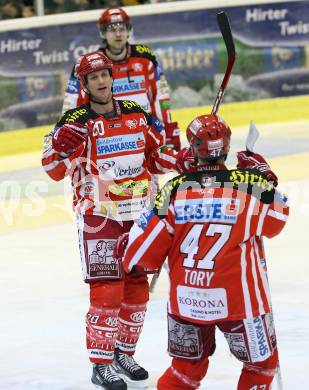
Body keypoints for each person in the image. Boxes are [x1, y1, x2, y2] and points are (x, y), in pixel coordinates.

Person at [41, 51, 191, 390]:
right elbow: (52, 170)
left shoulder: (138, 114)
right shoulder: (73, 121)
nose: (101, 81)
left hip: (138, 212)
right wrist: (60, 150)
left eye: (104, 75)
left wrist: (183, 159)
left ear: (112, 77)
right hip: (99, 216)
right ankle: (101, 363)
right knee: (107, 291)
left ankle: (124, 353)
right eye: (93, 78)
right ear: (84, 84)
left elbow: (156, 156)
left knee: (137, 289)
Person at [117, 114, 289, 389]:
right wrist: (264, 176)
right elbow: (278, 218)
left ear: (192, 148)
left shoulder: (174, 189)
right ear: (228, 146)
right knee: (262, 365)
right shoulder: (248, 186)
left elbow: (139, 253)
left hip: (187, 302)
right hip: (239, 303)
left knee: (185, 370)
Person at [62, 6, 181, 152]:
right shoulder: (87, 64)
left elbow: (160, 96)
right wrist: (68, 130)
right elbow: (72, 101)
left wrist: (167, 127)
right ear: (103, 32)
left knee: (149, 173)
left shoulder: (146, 56)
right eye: (112, 29)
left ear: (129, 30)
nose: (118, 34)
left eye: (122, 28)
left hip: (143, 130)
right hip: (106, 138)